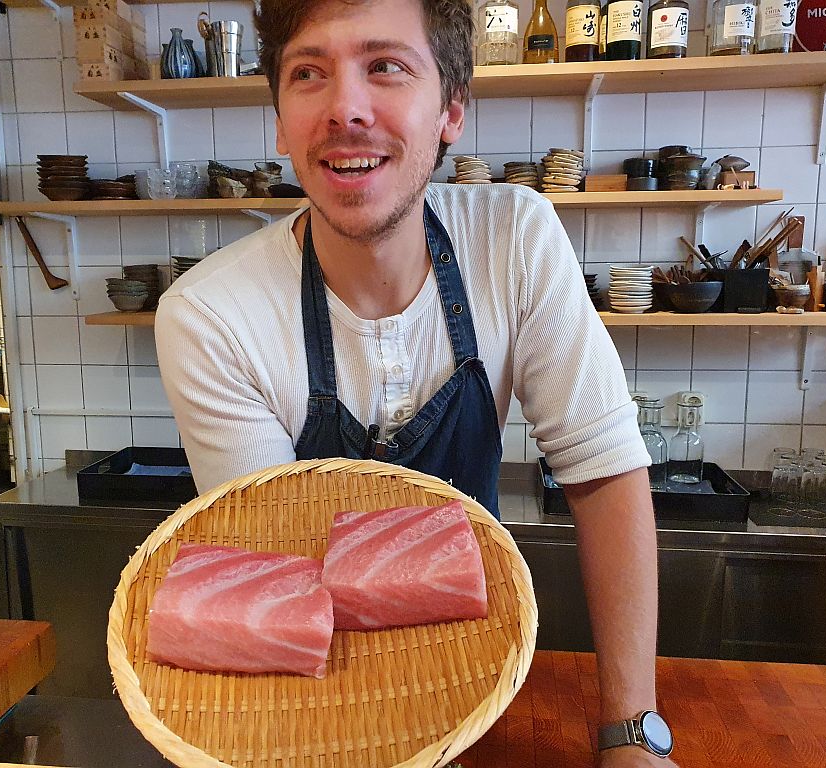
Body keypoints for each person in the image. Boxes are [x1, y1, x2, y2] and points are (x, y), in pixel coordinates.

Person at [156, 0, 676, 764]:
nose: (346, 108)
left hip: (477, 684)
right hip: (321, 710)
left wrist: (632, 736)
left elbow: (602, 472)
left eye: (386, 67)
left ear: (450, 110)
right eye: (309, 74)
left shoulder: (514, 239)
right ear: (279, 123)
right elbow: (284, 575)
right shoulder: (210, 317)